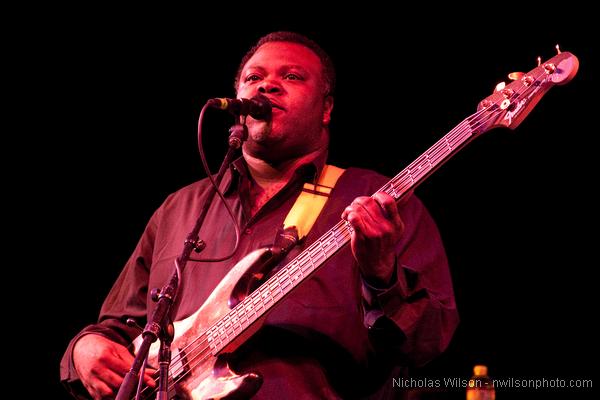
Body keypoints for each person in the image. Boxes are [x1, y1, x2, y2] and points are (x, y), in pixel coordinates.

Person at [60, 31, 458, 399]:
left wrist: (382, 277)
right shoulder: (180, 209)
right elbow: (120, 327)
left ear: (326, 108)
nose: (266, 85)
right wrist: (84, 350)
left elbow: (429, 341)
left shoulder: (377, 199)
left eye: (292, 76)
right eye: (253, 78)